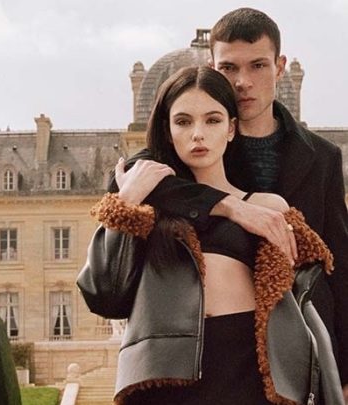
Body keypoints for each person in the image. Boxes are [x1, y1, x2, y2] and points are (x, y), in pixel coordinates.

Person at [110, 7, 348, 400]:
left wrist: (343, 372)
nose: (242, 81)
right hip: (207, 350)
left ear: (280, 67)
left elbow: (339, 267)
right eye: (229, 68)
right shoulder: (194, 146)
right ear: (212, 68)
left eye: (258, 65)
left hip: (294, 350)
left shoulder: (322, 156)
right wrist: (232, 205)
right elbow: (129, 180)